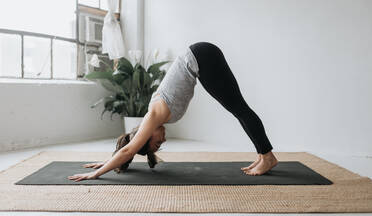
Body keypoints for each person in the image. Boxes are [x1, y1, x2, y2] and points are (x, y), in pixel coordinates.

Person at [68, 42, 278, 182]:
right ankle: (263, 155)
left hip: (201, 57)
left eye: (157, 143)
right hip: (200, 59)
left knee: (240, 108)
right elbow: (127, 149)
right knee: (238, 109)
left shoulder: (153, 115)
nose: (163, 142)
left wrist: (97, 174)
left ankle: (267, 156)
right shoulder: (155, 115)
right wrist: (108, 160)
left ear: (146, 136)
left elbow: (128, 150)